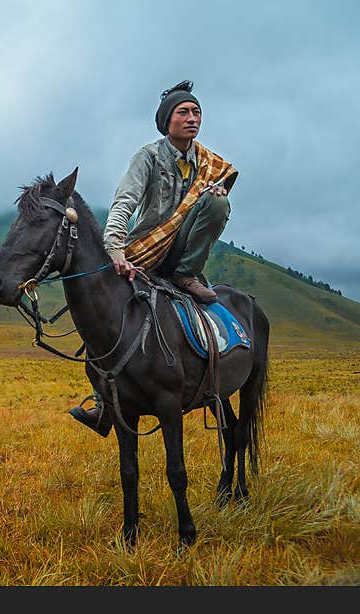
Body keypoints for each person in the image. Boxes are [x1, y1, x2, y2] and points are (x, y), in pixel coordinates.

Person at [69, 80, 238, 436]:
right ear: (167, 121)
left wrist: (214, 194)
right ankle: (103, 405)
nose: (192, 118)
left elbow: (207, 212)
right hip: (145, 249)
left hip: (182, 257)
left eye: (196, 112)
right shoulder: (147, 157)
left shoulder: (209, 163)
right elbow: (125, 201)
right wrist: (114, 247)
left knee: (219, 201)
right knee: (107, 321)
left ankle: (187, 279)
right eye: (184, 112)